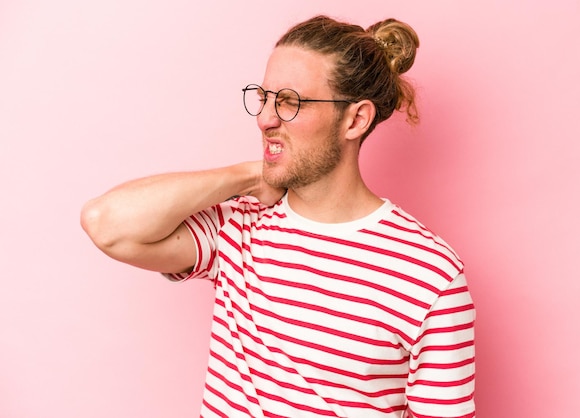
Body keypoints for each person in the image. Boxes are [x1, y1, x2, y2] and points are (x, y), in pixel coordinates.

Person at [81, 14, 475, 418]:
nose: (266, 118)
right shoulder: (239, 226)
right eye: (264, 97)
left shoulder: (430, 274)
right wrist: (250, 174)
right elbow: (106, 224)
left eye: (289, 102)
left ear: (355, 119)